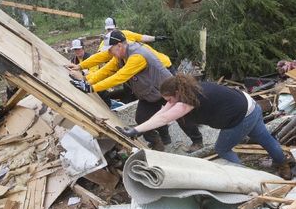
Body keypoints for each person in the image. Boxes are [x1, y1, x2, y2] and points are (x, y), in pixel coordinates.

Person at [116, 74, 292, 180]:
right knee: (264, 138)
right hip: (250, 106)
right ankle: (283, 167)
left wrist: (137, 130)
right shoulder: (189, 91)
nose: (167, 103)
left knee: (222, 148)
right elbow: (163, 112)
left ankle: (248, 178)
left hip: (241, 116)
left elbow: (164, 118)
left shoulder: (188, 102)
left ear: (176, 94)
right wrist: (136, 129)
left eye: (169, 99)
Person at [70, 30, 202, 151]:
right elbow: (106, 70)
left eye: (110, 50)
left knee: (181, 116)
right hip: (149, 93)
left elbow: (119, 77)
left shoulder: (137, 56)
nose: (109, 53)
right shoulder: (120, 56)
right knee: (141, 118)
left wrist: (91, 88)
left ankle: (197, 141)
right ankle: (159, 142)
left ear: (120, 45)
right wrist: (87, 81)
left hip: (167, 89)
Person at [70, 39, 111, 107]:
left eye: (78, 49)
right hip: (85, 86)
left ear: (83, 48)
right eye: (75, 49)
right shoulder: (73, 60)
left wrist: (82, 73)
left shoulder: (91, 58)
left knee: (106, 106)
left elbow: (95, 73)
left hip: (99, 88)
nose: (77, 51)